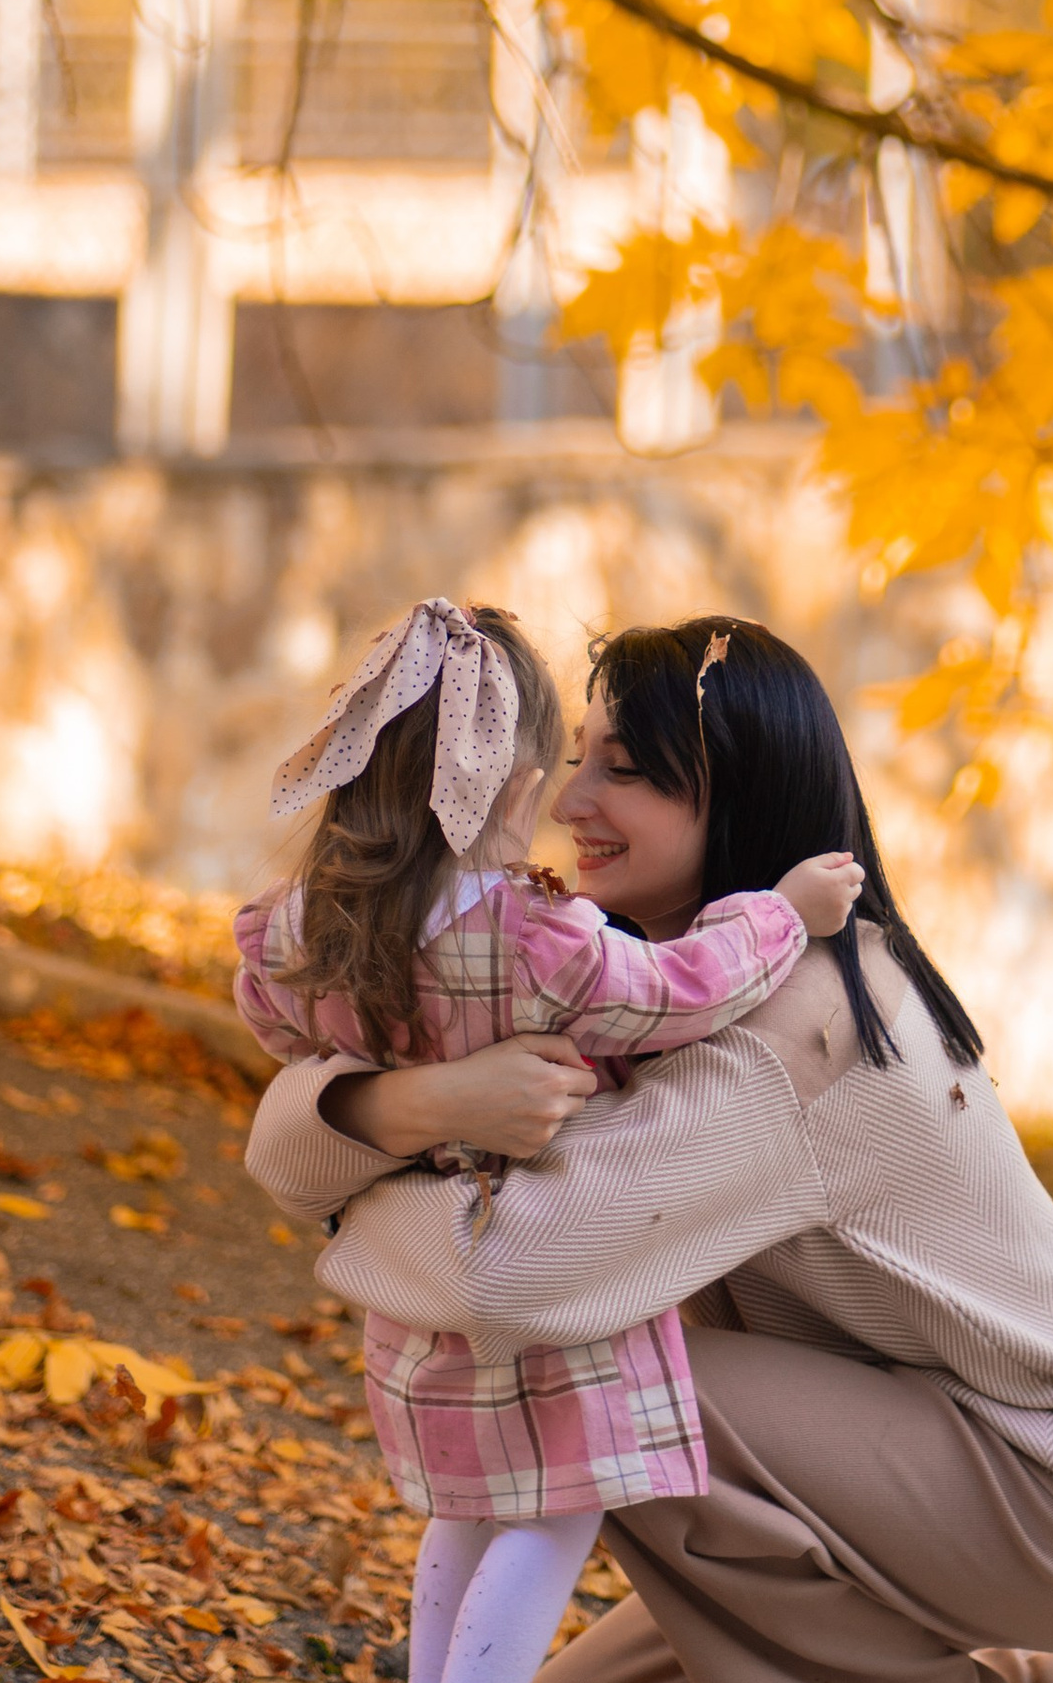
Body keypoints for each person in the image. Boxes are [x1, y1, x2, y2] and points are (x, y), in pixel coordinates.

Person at [247, 616, 1053, 1683]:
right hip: (920, 1444)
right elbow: (291, 1151)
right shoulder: (640, 983)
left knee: (592, 1381)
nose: (569, 802)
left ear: (737, 796)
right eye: (576, 758)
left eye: (623, 771)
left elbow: (505, 1280)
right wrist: (413, 1104)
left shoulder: (789, 1025)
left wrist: (360, 1186)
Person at [235, 601, 868, 1683]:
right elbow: (680, 989)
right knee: (553, 1517)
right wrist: (782, 912)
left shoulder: (300, 927)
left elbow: (280, 1028)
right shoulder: (543, 940)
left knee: (466, 1510)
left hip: (420, 1284)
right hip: (553, 1284)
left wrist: (394, 1067)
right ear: (519, 785)